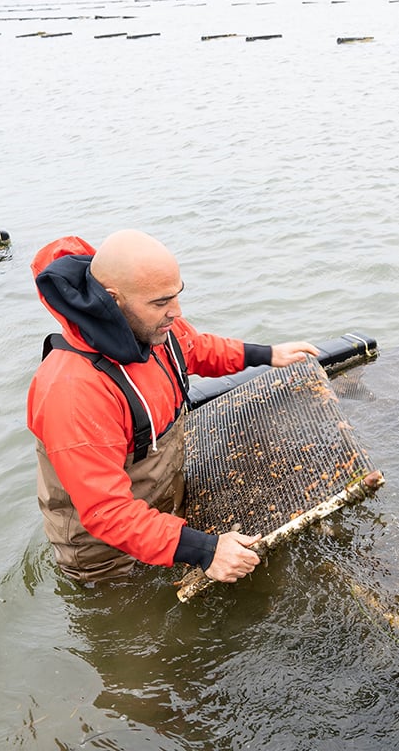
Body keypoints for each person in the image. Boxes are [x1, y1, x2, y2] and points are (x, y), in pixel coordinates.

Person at [27, 230, 318, 585]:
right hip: (105, 553)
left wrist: (268, 354)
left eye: (177, 295)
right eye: (161, 302)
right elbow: (107, 512)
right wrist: (205, 551)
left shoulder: (152, 327)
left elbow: (195, 348)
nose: (176, 312)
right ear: (113, 300)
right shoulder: (72, 390)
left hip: (161, 505)